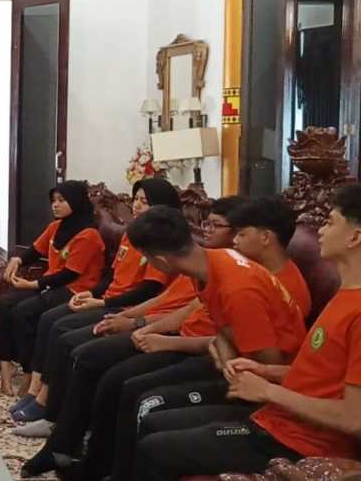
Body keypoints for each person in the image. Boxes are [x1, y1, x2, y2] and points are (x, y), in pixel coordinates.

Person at [30, 205, 307, 480]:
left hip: (258, 381)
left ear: (160, 260)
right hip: (226, 358)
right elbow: (224, 331)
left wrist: (220, 350)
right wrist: (217, 344)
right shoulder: (212, 264)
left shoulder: (238, 289)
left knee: (139, 396)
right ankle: (93, 464)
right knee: (111, 374)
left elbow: (266, 365)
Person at [135, 184, 361, 480]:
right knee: (152, 423)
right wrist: (264, 371)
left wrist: (268, 390)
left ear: (354, 237)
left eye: (330, 222)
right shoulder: (345, 295)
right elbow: (319, 377)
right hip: (279, 419)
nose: (320, 230)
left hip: (302, 444)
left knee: (154, 446)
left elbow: (354, 418)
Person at [11, 178, 182, 433]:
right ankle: (36, 392)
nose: (137, 206)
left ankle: (49, 408)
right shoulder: (131, 234)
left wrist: (102, 302)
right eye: (136, 199)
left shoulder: (164, 244)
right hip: (107, 300)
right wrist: (90, 294)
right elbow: (111, 276)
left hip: (125, 309)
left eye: (145, 202)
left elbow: (149, 290)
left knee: (62, 331)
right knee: (49, 320)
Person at [0, 180, 106, 403]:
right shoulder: (56, 227)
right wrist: (17, 259)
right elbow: (35, 250)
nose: (55, 205)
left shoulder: (89, 235)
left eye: (62, 201)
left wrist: (33, 285)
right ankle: (6, 371)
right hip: (51, 285)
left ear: (76, 202)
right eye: (53, 200)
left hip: (74, 290)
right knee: (3, 306)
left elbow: (69, 274)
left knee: (24, 312)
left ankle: (29, 374)